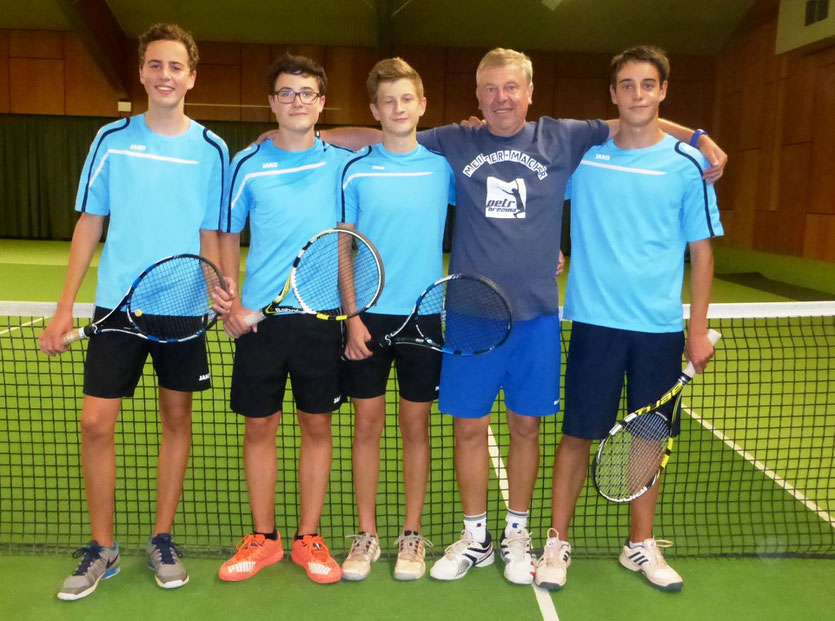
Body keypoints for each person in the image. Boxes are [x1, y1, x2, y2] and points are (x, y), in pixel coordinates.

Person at [302, 46, 726, 585]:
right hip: (471, 315)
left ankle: (519, 533)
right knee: (468, 429)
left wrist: (697, 137)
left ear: (529, 92)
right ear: (477, 96)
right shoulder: (455, 141)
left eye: (511, 87)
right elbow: (386, 134)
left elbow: (635, 111)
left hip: (538, 318)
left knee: (527, 428)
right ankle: (476, 536)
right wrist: (308, 135)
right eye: (490, 89)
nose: (501, 98)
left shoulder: (565, 137)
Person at [38, 24, 230, 600]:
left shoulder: (212, 148)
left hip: (184, 310)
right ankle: (103, 547)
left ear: (191, 77)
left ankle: (163, 536)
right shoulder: (111, 138)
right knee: (96, 422)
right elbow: (89, 223)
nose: (165, 75)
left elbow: (215, 229)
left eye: (176, 66)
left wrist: (222, 288)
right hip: (119, 305)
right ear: (143, 73)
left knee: (177, 421)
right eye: (155, 64)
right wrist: (62, 307)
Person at [534, 45, 723, 593]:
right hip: (594, 322)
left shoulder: (686, 166)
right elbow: (543, 202)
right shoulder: (585, 155)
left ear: (663, 91)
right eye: (626, 85)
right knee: (576, 436)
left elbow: (703, 254)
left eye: (647, 84)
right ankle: (556, 541)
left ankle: (640, 545)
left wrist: (695, 330)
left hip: (660, 330)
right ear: (611, 94)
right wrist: (552, 247)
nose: (637, 94)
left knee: (648, 440)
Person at [216, 53, 352, 585]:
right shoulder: (246, 164)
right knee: (260, 426)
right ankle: (264, 538)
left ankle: (308, 538)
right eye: (286, 93)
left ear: (321, 103)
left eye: (307, 93)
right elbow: (227, 233)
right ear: (271, 102)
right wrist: (230, 296)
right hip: (260, 322)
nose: (296, 101)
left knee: (316, 425)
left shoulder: (342, 162)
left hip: (320, 318)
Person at [338, 58, 455, 581]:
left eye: (407, 99)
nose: (398, 108)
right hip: (369, 319)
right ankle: (367, 535)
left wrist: (549, 249)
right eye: (388, 101)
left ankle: (411, 534)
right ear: (374, 110)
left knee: (416, 428)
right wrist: (351, 317)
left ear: (422, 105)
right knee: (366, 426)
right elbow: (344, 247)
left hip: (425, 317)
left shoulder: (442, 168)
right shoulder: (356, 168)